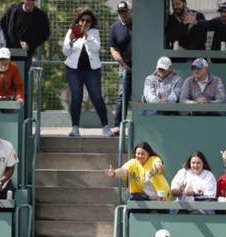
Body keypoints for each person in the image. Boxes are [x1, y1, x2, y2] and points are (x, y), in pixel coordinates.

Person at [62, 8, 112, 137]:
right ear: (78, 21)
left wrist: (86, 36)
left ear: (91, 22)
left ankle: (106, 127)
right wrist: (71, 42)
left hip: (92, 70)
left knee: (96, 97)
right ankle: (75, 127)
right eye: (82, 20)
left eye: (88, 21)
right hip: (74, 70)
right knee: (76, 97)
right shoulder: (71, 31)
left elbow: (95, 48)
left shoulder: (94, 33)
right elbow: (65, 52)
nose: (85, 23)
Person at [0, 0, 50, 96]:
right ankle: (5, 106)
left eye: (33, 0)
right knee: (5, 81)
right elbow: (1, 24)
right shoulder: (13, 9)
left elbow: (45, 34)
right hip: (9, 53)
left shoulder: (40, 15)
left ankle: (22, 108)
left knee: (22, 83)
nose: (30, 2)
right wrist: (4, 42)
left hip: (25, 55)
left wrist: (30, 45)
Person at [105, 141, 171, 201]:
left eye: (142, 154)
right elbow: (124, 171)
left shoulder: (154, 159)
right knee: (134, 199)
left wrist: (158, 167)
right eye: (138, 153)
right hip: (143, 197)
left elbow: (158, 164)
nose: (140, 156)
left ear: (148, 153)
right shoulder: (133, 163)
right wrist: (114, 173)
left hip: (160, 196)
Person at [110, 1, 132, 135]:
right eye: (120, 12)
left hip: (141, 66)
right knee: (122, 95)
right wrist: (123, 64)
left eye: (125, 11)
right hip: (125, 67)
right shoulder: (115, 28)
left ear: (130, 11)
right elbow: (113, 49)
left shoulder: (138, 25)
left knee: (144, 94)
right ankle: (117, 125)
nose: (122, 14)